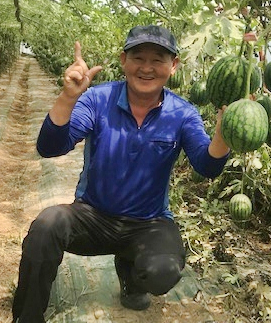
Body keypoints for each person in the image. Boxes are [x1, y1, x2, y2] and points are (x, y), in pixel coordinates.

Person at [12, 25, 230, 323]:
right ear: (123, 60)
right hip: (92, 216)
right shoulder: (97, 99)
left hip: (148, 224)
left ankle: (131, 275)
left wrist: (223, 134)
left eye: (158, 59)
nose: (147, 67)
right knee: (46, 226)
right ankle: (27, 317)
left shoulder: (183, 114)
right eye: (138, 57)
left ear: (173, 65)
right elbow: (50, 147)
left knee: (164, 271)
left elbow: (208, 166)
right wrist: (68, 97)